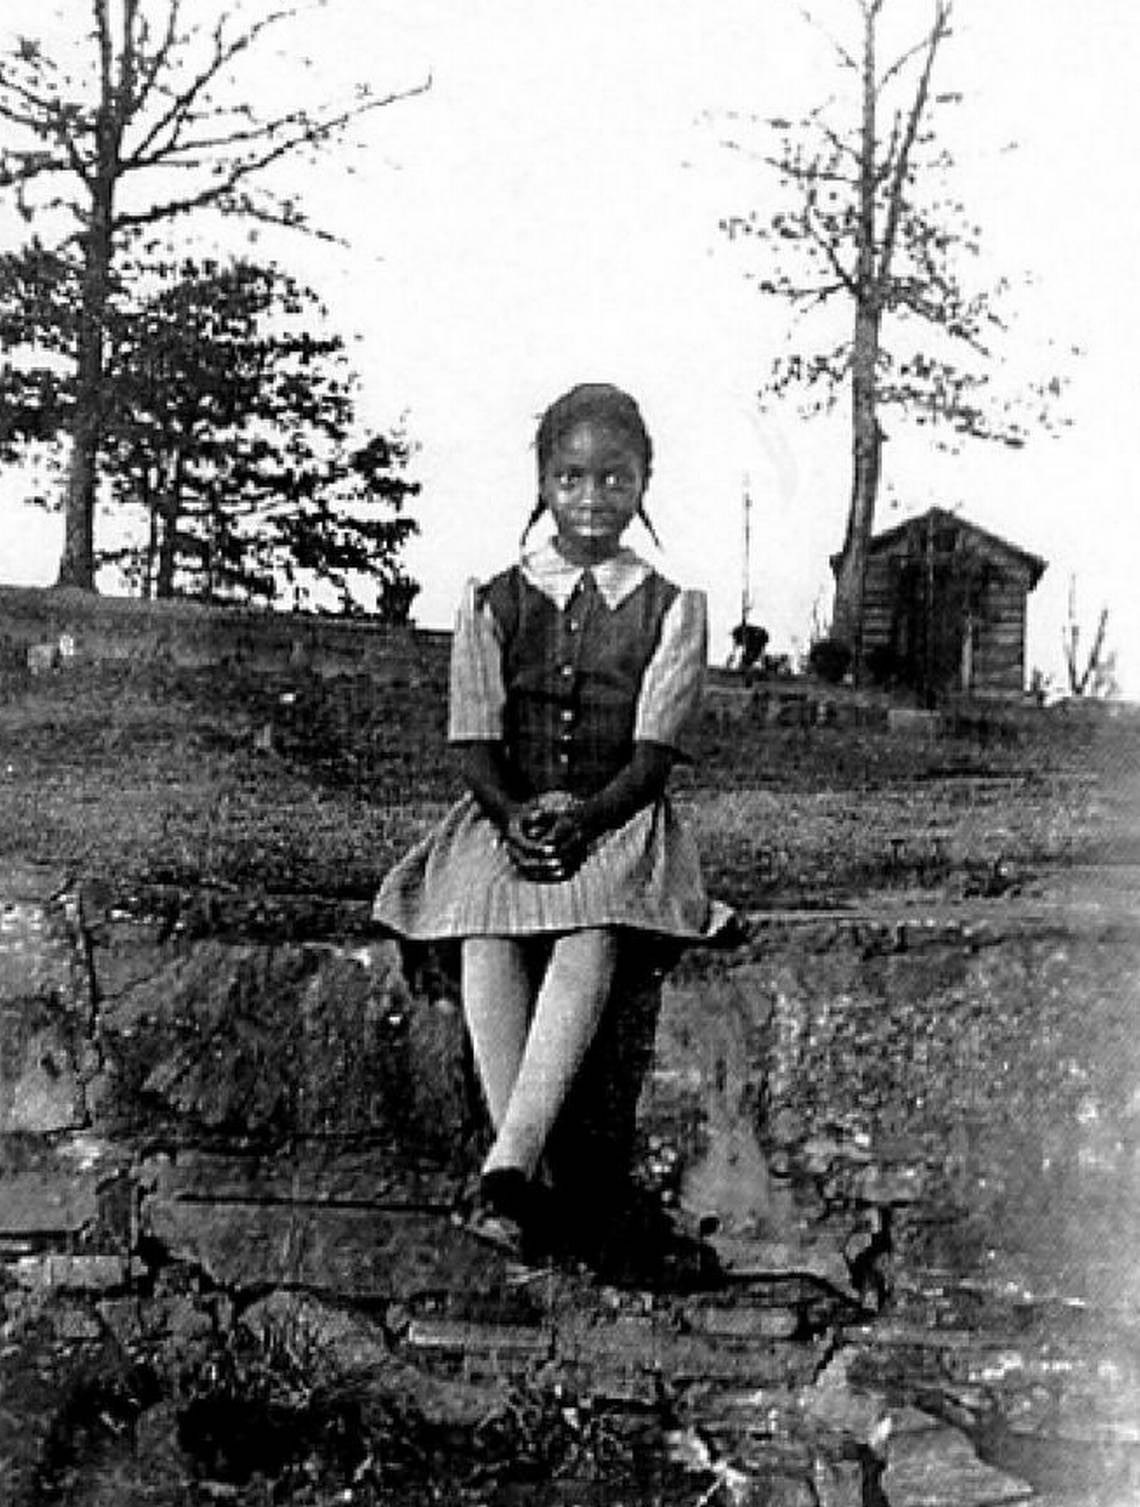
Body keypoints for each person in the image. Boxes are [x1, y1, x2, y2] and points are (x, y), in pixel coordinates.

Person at [374, 382, 728, 1262]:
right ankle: (530, 1177)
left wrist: (588, 817)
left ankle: (509, 1176)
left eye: (615, 478)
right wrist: (514, 813)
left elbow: (652, 757)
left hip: (617, 818)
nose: (593, 498)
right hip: (508, 811)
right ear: (542, 482)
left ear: (644, 482)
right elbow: (473, 737)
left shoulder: (670, 606)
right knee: (483, 928)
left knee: (591, 929)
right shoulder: (495, 599)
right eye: (571, 478)